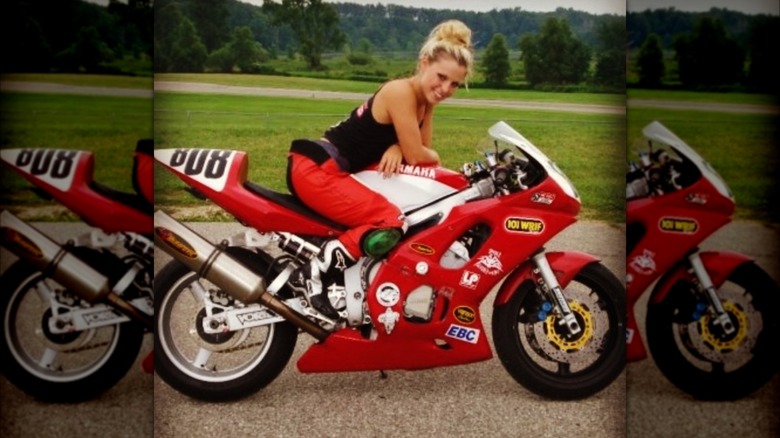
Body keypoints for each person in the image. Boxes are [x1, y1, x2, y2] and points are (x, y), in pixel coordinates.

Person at [286, 19, 474, 318]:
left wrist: (400, 146)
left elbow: (422, 157)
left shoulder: (424, 103)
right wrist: (408, 148)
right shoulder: (400, 92)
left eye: (454, 84)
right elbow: (422, 155)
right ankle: (311, 275)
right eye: (441, 77)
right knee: (390, 220)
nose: (445, 88)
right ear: (423, 63)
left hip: (329, 169)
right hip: (317, 168)